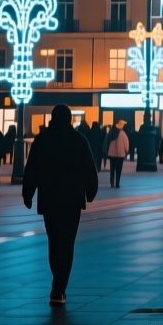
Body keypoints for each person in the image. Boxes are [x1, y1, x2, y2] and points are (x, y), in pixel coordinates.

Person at [22, 105, 98, 305]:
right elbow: (89, 168)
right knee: (67, 242)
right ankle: (60, 286)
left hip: (50, 198)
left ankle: (57, 281)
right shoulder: (79, 140)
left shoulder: (43, 139)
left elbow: (32, 167)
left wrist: (28, 192)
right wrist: (91, 191)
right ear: (69, 119)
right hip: (72, 199)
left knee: (54, 241)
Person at [105, 120, 130, 189]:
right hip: (120, 155)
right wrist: (126, 151)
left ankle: (112, 183)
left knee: (112, 169)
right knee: (118, 170)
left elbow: (107, 142)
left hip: (112, 154)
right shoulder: (122, 133)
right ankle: (117, 183)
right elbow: (126, 143)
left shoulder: (111, 132)